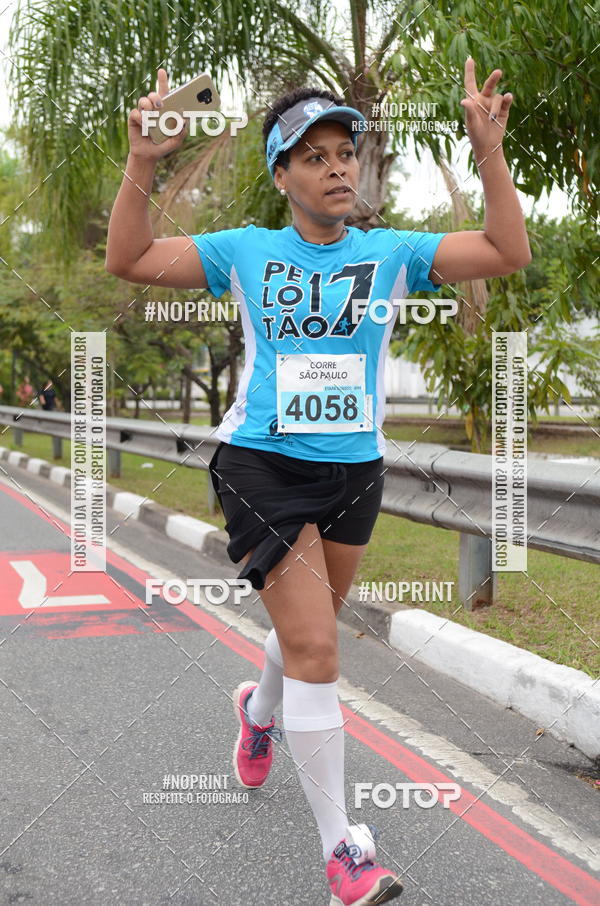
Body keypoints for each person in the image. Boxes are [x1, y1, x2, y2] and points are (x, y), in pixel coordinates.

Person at [106, 62, 530, 905]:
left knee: (312, 632)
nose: (338, 167)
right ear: (280, 174)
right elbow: (129, 258)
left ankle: (257, 712)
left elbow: (508, 250)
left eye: (347, 153)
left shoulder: (392, 252)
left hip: (353, 471)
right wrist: (144, 164)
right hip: (262, 463)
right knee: (317, 649)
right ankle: (344, 848)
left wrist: (489, 154)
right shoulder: (247, 252)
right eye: (315, 156)